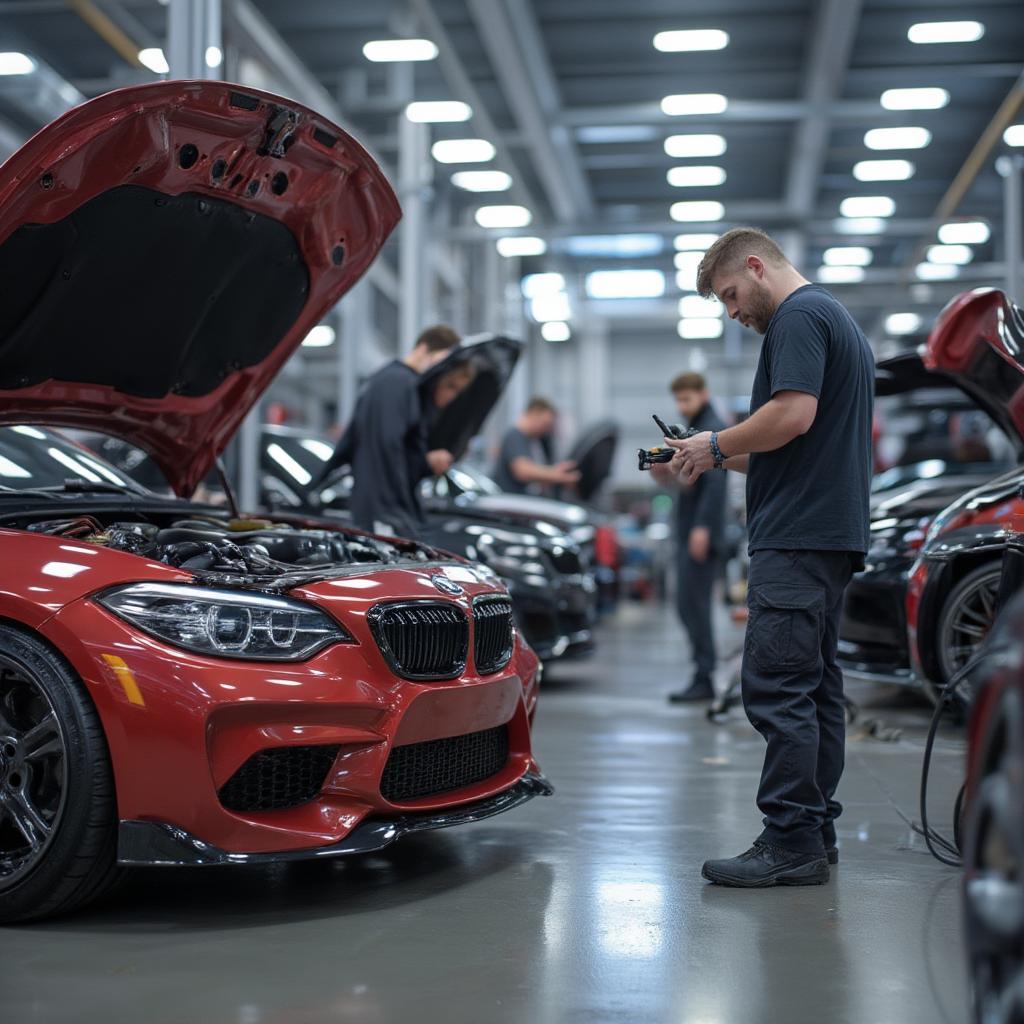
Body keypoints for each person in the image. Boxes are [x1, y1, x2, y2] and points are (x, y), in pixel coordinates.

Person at [666, 227, 874, 887]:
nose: (733, 311)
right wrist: (710, 449)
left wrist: (717, 445)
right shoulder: (834, 317)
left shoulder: (800, 316)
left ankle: (790, 841)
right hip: (827, 535)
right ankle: (815, 829)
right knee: (813, 690)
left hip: (798, 536)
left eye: (731, 294)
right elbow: (786, 442)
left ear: (757, 267)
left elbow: (791, 416)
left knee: (777, 689)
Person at [318, 324, 462, 538]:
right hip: (384, 507)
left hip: (384, 505)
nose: (441, 369)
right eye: (441, 360)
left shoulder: (394, 381)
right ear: (423, 348)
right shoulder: (398, 382)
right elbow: (388, 447)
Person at [650, 372, 727, 703]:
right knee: (687, 605)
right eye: (678, 400)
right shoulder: (692, 430)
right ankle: (703, 673)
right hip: (689, 528)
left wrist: (703, 527)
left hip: (700, 531)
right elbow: (687, 480)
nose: (682, 406)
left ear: (703, 394)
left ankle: (705, 677)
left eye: (687, 399)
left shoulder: (711, 428)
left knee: (694, 605)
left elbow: (716, 483)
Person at [493, 397, 580, 494]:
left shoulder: (534, 440)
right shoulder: (515, 436)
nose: (547, 429)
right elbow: (523, 471)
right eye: (545, 424)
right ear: (533, 414)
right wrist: (556, 474)